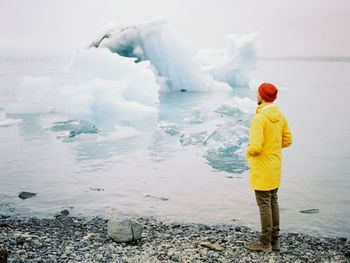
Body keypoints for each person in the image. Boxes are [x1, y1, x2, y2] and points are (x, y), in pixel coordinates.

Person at [244, 83, 292, 253]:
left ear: (262, 96)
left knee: (264, 204)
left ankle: (265, 243)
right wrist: (272, 147)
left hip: (262, 169)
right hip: (275, 166)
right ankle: (275, 241)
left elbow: (256, 147)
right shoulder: (280, 116)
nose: (256, 95)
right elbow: (287, 140)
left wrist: (247, 151)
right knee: (273, 201)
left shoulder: (260, 118)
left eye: (257, 93)